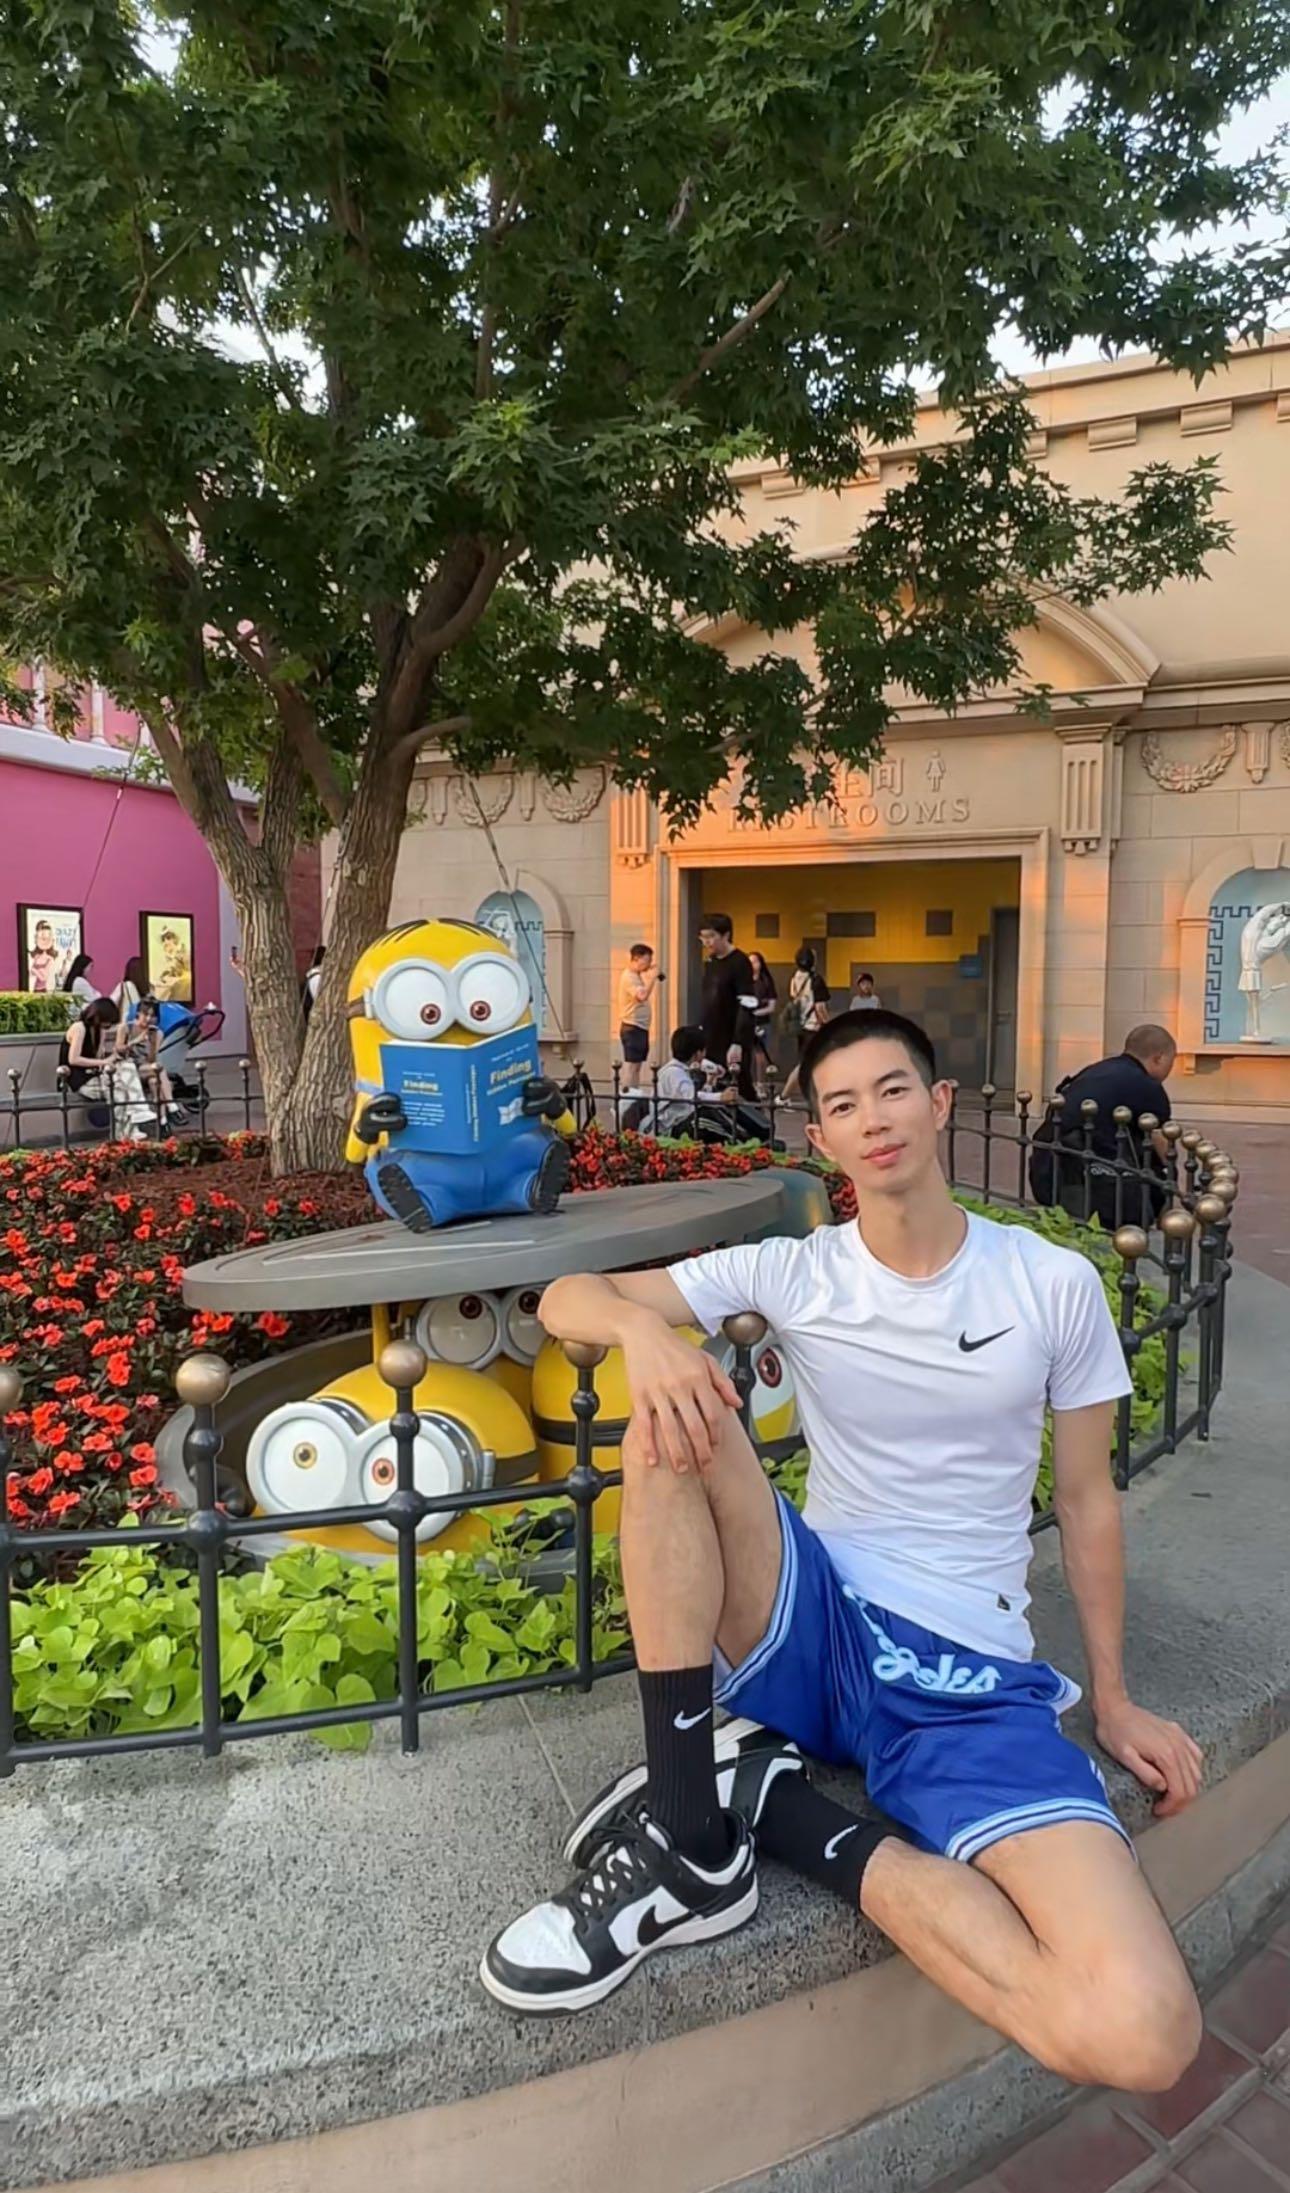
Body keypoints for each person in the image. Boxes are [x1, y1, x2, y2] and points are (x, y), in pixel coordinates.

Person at [481, 1006, 1204, 2103]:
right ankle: (688, 1827)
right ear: (820, 1138)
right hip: (813, 1621)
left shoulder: (1050, 1284)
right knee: (672, 1414)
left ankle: (773, 1806)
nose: (875, 1119)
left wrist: (1112, 1698)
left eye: (894, 1089)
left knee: (1144, 2032)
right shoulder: (799, 1270)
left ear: (941, 1103)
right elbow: (569, 1299)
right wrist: (644, 1339)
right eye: (844, 1104)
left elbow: (1088, 1501)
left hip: (967, 1681)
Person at [1032, 1024, 1176, 1228]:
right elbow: (1162, 1143)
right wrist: (1172, 1179)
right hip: (1097, 1191)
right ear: (1159, 1058)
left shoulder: (1095, 1071)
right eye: (1171, 1061)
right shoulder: (1147, 1086)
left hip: (1047, 1174)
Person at [59, 999, 155, 1140]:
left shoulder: (100, 1031)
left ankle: (138, 1113)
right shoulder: (79, 1028)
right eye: (108, 1021)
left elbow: (98, 1058)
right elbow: (73, 1059)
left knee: (127, 1067)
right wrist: (104, 1062)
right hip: (78, 1078)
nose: (109, 1025)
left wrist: (113, 1059)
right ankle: (125, 1131)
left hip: (94, 1074)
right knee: (118, 1091)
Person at [698, 914, 758, 1102]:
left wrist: (738, 1042)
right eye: (703, 937)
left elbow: (747, 1003)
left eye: (711, 936)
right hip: (711, 1035)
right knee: (713, 1086)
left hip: (732, 1034)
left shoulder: (740, 962)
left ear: (726, 935)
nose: (707, 942)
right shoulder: (711, 962)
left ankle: (753, 1117)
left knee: (739, 1084)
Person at [116, 994, 185, 1124]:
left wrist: (153, 1043)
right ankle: (172, 1106)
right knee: (159, 1069)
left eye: (152, 1016)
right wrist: (136, 1041)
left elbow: (152, 1059)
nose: (148, 1019)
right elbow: (118, 1050)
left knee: (154, 1082)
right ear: (138, 1014)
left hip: (146, 1069)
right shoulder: (125, 1028)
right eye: (145, 1014)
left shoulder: (157, 1033)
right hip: (128, 1070)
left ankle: (162, 1121)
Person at [780, 946, 830, 1102]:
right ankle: (783, 1096)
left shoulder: (795, 979)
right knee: (804, 1064)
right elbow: (820, 1007)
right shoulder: (816, 980)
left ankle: (815, 1095)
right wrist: (828, 1024)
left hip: (801, 1026)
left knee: (814, 1062)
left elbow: (795, 998)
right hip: (814, 1026)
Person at [617, 944, 663, 1092]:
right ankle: (626, 1098)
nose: (649, 964)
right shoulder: (629, 977)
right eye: (647, 961)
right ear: (637, 958)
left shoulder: (636, 976)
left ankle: (634, 1094)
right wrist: (653, 977)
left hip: (640, 1027)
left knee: (637, 1066)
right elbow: (642, 996)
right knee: (631, 1066)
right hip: (632, 1027)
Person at [746, 952, 778, 1082]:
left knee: (760, 1054)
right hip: (746, 1023)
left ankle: (760, 1083)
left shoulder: (766, 982)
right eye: (750, 962)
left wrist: (756, 1013)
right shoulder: (744, 981)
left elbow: (772, 1007)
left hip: (762, 1023)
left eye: (755, 961)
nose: (752, 965)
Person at [26, 919, 63, 994]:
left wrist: (34, 971)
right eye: (41, 938)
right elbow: (30, 974)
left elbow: (44, 977)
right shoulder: (36, 957)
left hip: (44, 989)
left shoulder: (50, 959)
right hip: (35, 988)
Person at [111, 955, 149, 1020]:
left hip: (127, 1022)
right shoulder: (147, 988)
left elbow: (111, 1004)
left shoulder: (124, 986)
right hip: (142, 1022)